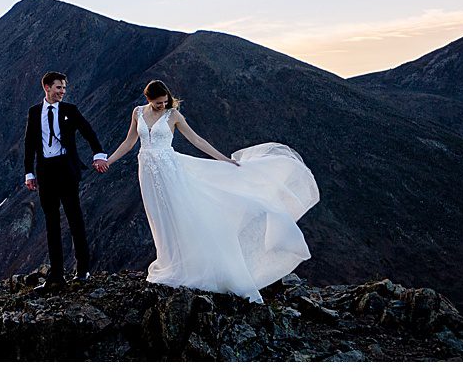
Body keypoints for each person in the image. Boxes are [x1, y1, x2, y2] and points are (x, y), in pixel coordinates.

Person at [101, 79, 319, 303]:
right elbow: (129, 142)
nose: (162, 106)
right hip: (147, 171)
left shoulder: (173, 115)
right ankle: (169, 261)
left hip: (169, 171)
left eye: (165, 102)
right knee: (158, 217)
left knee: (179, 215)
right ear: (148, 99)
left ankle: (188, 266)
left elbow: (196, 140)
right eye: (158, 103)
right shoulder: (138, 112)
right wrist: (109, 161)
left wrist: (224, 160)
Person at [22, 71, 108, 290]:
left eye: (64, 88)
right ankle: (56, 276)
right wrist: (29, 173)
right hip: (45, 172)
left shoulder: (70, 110)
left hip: (66, 169)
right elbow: (29, 143)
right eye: (59, 87)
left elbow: (88, 131)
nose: (62, 92)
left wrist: (98, 154)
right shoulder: (34, 112)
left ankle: (82, 270)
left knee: (75, 219)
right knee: (51, 224)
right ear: (47, 87)